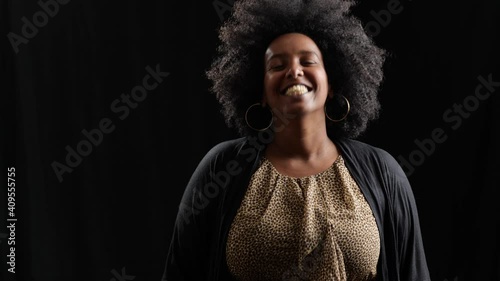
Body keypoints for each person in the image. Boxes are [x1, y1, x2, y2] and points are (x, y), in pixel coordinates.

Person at [162, 0, 431, 280]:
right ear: (261, 92)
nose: (294, 71)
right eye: (277, 65)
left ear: (332, 81)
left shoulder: (382, 172)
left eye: (308, 61)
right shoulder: (221, 169)